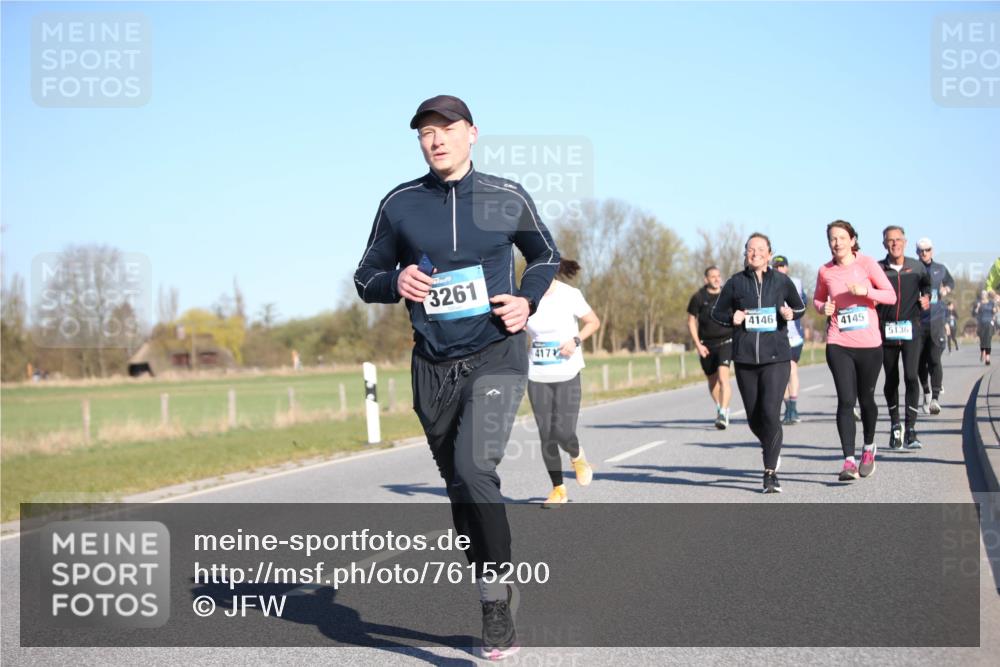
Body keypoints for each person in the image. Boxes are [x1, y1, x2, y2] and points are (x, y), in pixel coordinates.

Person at [353, 95, 560, 660]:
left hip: (496, 352)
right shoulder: (400, 204)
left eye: (446, 129)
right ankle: (492, 579)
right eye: (425, 132)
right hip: (432, 367)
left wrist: (526, 300)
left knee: (475, 467)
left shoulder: (505, 195)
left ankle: (495, 603)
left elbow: (546, 255)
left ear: (472, 134)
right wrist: (395, 281)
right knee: (460, 488)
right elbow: (364, 275)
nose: (436, 139)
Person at [711, 233, 805, 493]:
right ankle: (771, 446)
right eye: (750, 249)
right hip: (745, 359)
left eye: (760, 249)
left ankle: (770, 473)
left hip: (777, 357)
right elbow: (716, 313)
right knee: (754, 417)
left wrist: (789, 312)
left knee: (770, 412)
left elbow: (799, 308)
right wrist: (734, 316)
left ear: (769, 253)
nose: (755, 253)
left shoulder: (782, 282)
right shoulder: (735, 283)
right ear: (746, 254)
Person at [815, 220, 896, 480]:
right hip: (838, 342)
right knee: (846, 400)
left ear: (852, 240)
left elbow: (891, 296)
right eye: (832, 238)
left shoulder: (868, 264)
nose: (836, 242)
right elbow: (818, 299)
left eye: (841, 237)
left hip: (869, 344)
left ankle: (869, 447)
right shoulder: (825, 271)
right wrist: (822, 309)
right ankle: (848, 461)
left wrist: (866, 291)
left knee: (867, 399)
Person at [525, 259, 600, 508]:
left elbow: (593, 322)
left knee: (563, 430)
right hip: (537, 373)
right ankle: (558, 489)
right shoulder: (525, 296)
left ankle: (578, 457)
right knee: (547, 434)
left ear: (552, 270)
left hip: (567, 370)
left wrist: (575, 340)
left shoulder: (570, 294)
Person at [877, 226, 931, 451]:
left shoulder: (917, 267)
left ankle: (911, 429)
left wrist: (926, 297)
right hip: (886, 331)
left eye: (898, 240)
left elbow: (927, 286)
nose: (894, 244)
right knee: (891, 379)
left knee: (911, 376)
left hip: (911, 330)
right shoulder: (878, 269)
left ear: (905, 242)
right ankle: (895, 426)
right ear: (884, 244)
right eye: (890, 241)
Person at [687, 266, 735, 429]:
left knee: (723, 379)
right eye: (713, 277)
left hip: (726, 341)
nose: (716, 279)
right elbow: (691, 321)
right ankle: (721, 407)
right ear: (706, 279)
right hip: (706, 345)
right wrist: (698, 345)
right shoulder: (698, 297)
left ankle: (722, 413)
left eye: (718, 276)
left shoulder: (727, 295)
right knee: (712, 381)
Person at [915, 238, 954, 414]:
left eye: (927, 250)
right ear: (917, 252)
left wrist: (947, 289)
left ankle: (935, 399)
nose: (924, 253)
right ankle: (926, 391)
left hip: (936, 320)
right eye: (921, 250)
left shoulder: (940, 268)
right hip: (917, 321)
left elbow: (951, 282)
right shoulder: (913, 269)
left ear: (932, 250)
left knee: (935, 359)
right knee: (918, 363)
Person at [772, 255, 807, 425]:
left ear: (787, 267)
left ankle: (793, 407)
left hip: (794, 337)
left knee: (792, 370)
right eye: (776, 266)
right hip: (777, 335)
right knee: (782, 374)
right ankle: (788, 409)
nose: (779, 269)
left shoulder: (796, 283)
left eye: (782, 266)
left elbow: (803, 306)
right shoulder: (768, 283)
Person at [973, 290, 997, 365]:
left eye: (984, 294)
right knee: (982, 340)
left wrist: (995, 310)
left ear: (987, 295)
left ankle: (987, 358)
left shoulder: (991, 303)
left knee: (988, 340)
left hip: (989, 323)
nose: (983, 295)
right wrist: (977, 308)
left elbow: (995, 311)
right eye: (982, 294)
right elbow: (974, 313)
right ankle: (982, 351)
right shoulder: (978, 303)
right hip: (981, 324)